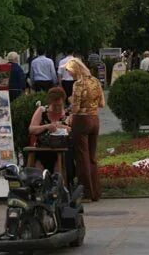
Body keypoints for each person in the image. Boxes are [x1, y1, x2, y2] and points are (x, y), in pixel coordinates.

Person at [67, 57, 104, 202]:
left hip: (81, 120)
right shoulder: (95, 81)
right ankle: (96, 192)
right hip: (95, 119)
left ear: (75, 70)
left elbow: (75, 107)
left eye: (69, 71)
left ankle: (86, 193)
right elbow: (102, 103)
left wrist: (70, 102)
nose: (69, 74)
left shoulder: (78, 84)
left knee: (82, 157)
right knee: (92, 158)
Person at [28, 87, 71, 173]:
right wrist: (46, 126)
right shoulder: (42, 111)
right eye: (54, 105)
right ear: (50, 102)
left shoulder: (68, 114)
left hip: (62, 149)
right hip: (43, 149)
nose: (57, 108)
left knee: (62, 162)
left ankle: (59, 181)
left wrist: (61, 127)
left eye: (60, 105)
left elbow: (72, 130)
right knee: (39, 165)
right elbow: (31, 129)